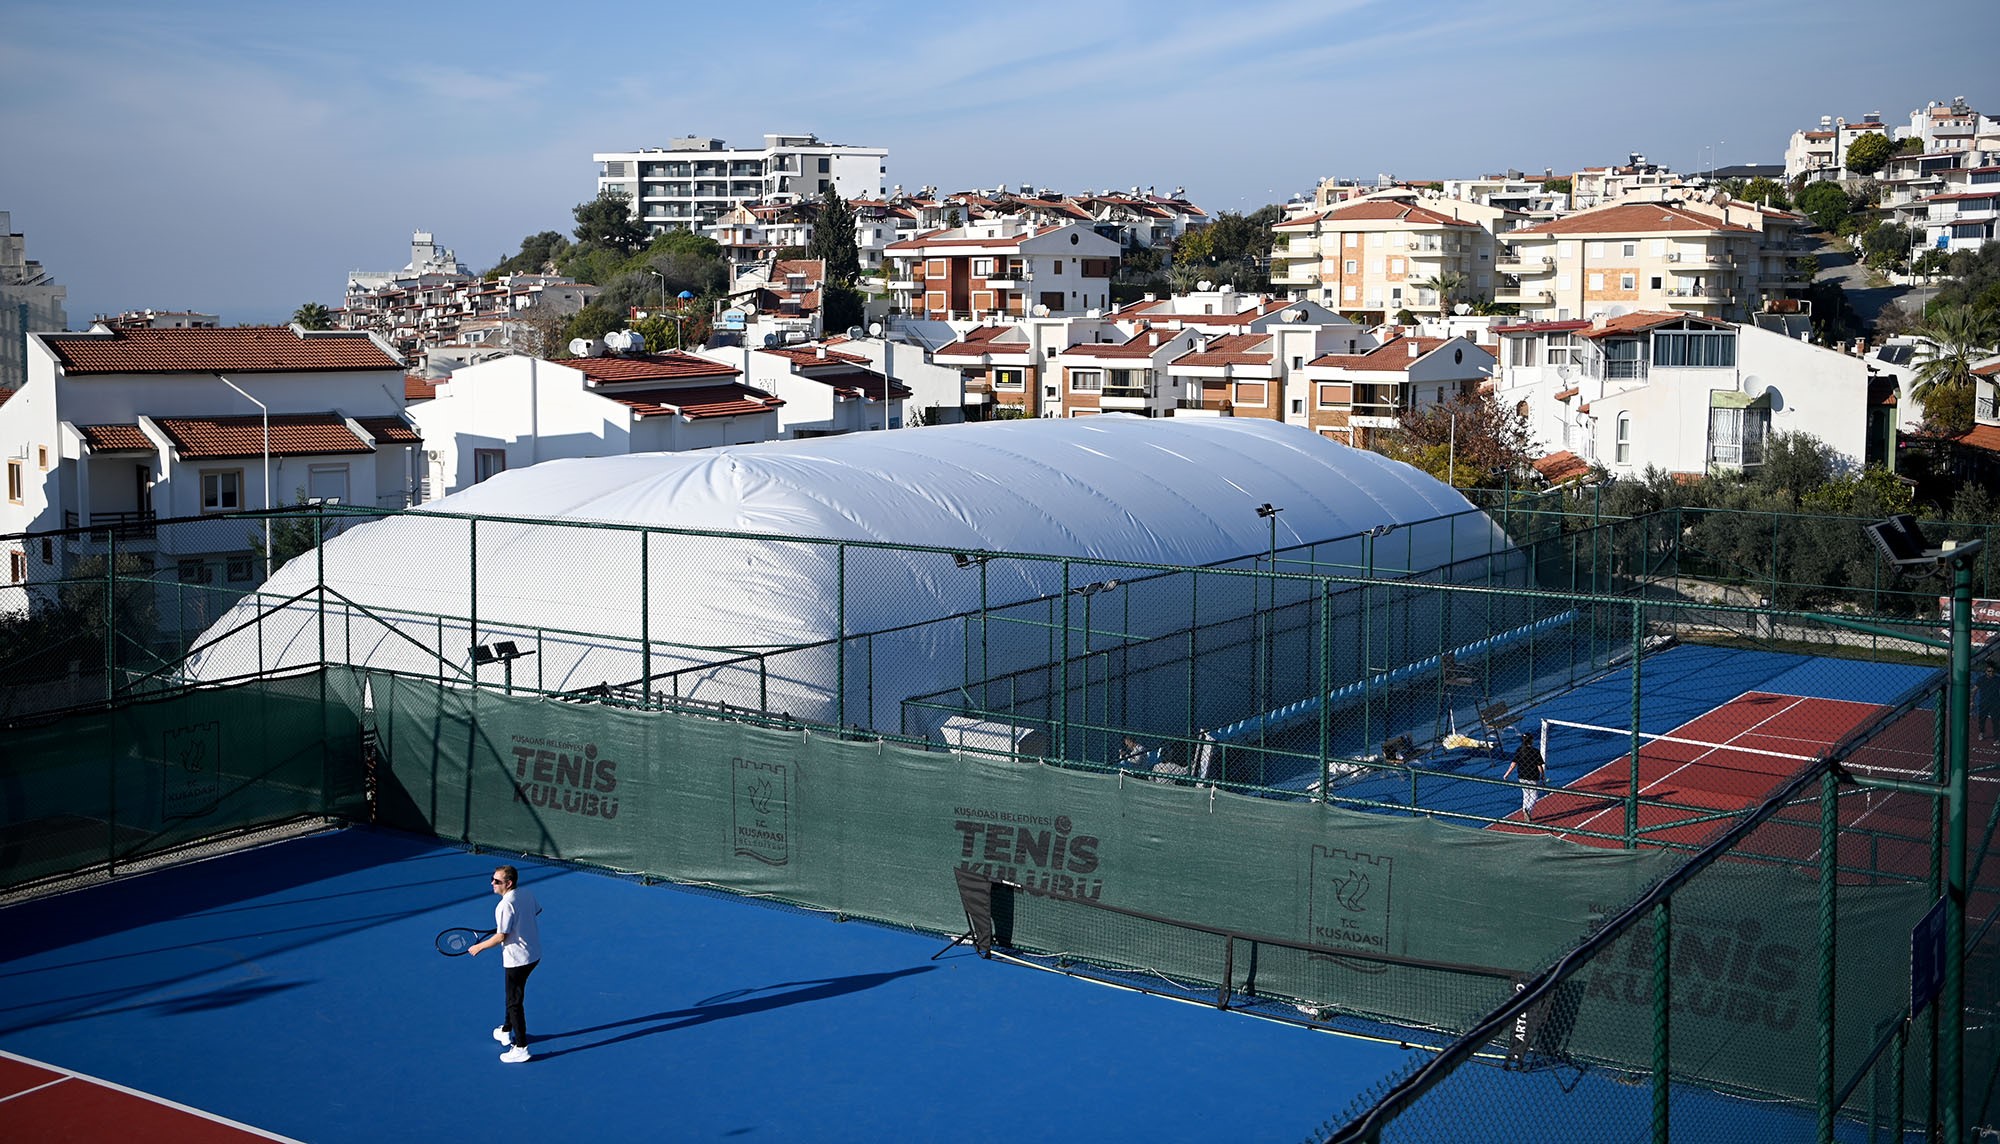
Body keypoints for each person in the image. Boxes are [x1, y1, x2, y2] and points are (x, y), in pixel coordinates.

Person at [468, 865, 541, 1063]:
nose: (492, 883)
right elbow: (534, 912)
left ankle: (521, 1047)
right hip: (534, 955)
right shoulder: (526, 893)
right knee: (513, 994)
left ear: (508, 884)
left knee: (514, 1002)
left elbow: (501, 936)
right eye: (492, 879)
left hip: (518, 960)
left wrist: (479, 947)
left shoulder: (504, 906)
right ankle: (507, 1029)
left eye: (497, 881)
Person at [1503, 730, 1546, 822]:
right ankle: (1528, 809)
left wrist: (1507, 774)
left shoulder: (1519, 750)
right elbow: (1539, 766)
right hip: (1532, 776)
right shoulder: (1535, 752)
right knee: (1534, 796)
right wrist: (1543, 775)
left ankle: (1525, 810)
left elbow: (1513, 763)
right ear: (1531, 741)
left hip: (1522, 776)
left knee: (1526, 795)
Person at [1978, 664, 2000, 741]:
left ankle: (1996, 737)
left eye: (1993, 671)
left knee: (1996, 720)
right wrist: (1971, 701)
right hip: (1984, 702)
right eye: (1989, 671)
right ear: (1986, 672)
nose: (1991, 673)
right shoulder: (1981, 679)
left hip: (1995, 703)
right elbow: (1974, 689)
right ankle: (1981, 732)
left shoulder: (1997, 679)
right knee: (1982, 718)